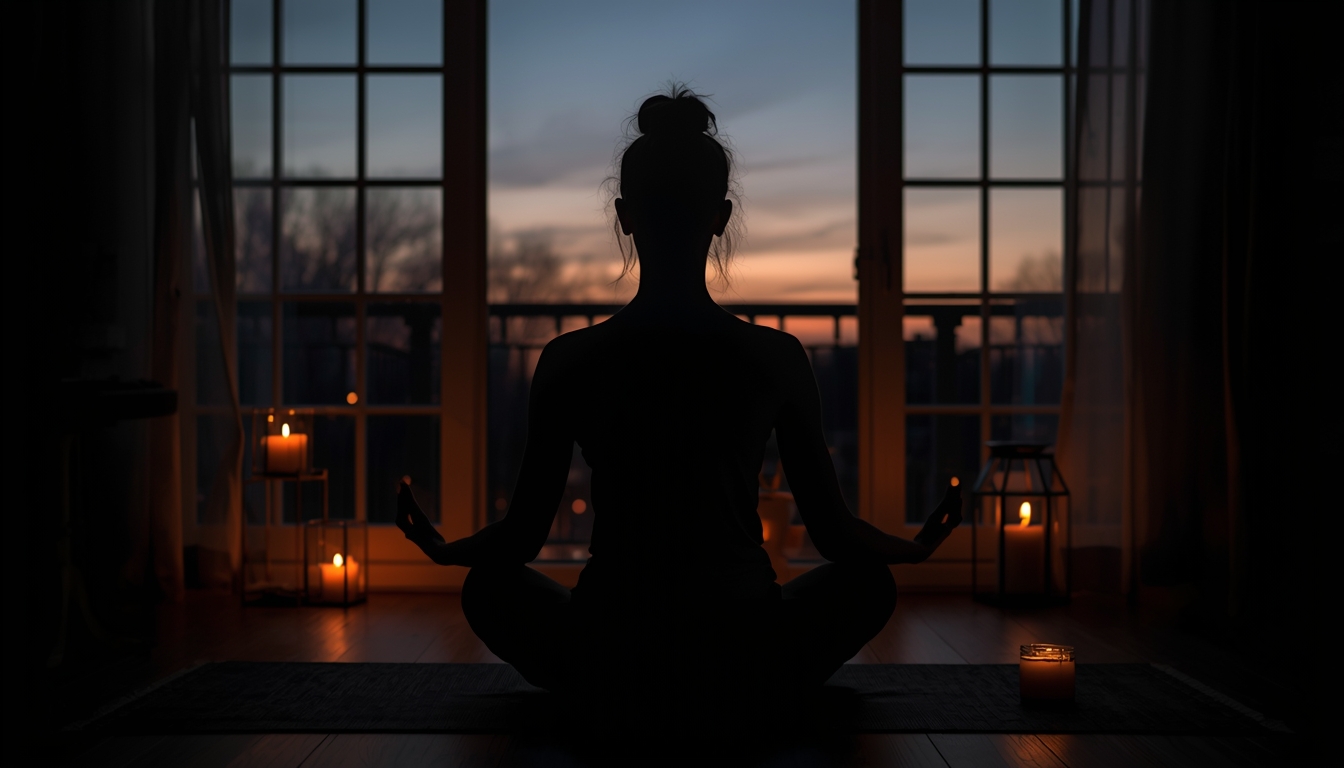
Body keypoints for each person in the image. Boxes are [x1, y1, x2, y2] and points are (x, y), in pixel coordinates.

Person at [396, 86, 962, 718]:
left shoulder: (570, 359)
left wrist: (449, 552)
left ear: (624, 215)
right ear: (719, 218)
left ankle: (618, 691)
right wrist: (909, 550)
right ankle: (743, 690)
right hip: (744, 639)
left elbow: (522, 538)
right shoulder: (775, 356)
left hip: (610, 639)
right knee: (868, 584)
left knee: (488, 590)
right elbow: (833, 535)